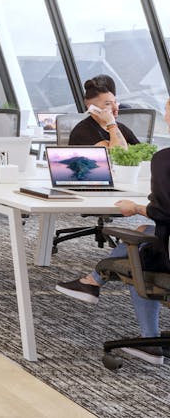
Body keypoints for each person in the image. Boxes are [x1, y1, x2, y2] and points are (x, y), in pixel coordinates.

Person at [55, 99, 170, 365]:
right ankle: (92, 281)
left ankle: (149, 341)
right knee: (144, 231)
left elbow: (163, 211)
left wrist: (136, 207)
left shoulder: (165, 159)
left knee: (138, 252)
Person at [68, 77, 139, 148]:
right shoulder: (82, 132)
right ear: (92, 108)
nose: (116, 108)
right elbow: (118, 152)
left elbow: (143, 151)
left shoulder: (121, 128)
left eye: (115, 102)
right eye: (108, 104)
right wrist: (111, 124)